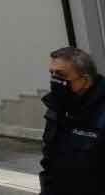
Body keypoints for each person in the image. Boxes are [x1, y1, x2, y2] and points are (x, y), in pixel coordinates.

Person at [42, 45, 105, 194]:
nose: (55, 80)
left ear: (85, 79)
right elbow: (49, 161)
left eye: (61, 75)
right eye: (52, 74)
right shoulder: (57, 108)